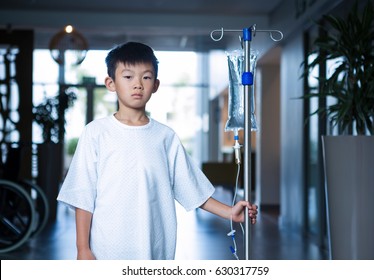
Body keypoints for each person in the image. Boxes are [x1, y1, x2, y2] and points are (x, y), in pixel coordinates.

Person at [57, 41, 258, 260]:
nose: (138, 85)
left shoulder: (165, 137)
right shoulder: (95, 133)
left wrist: (229, 212)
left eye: (146, 77)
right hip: (107, 249)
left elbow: (191, 189)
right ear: (110, 83)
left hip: (155, 249)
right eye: (128, 77)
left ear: (156, 84)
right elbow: (83, 196)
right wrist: (82, 249)